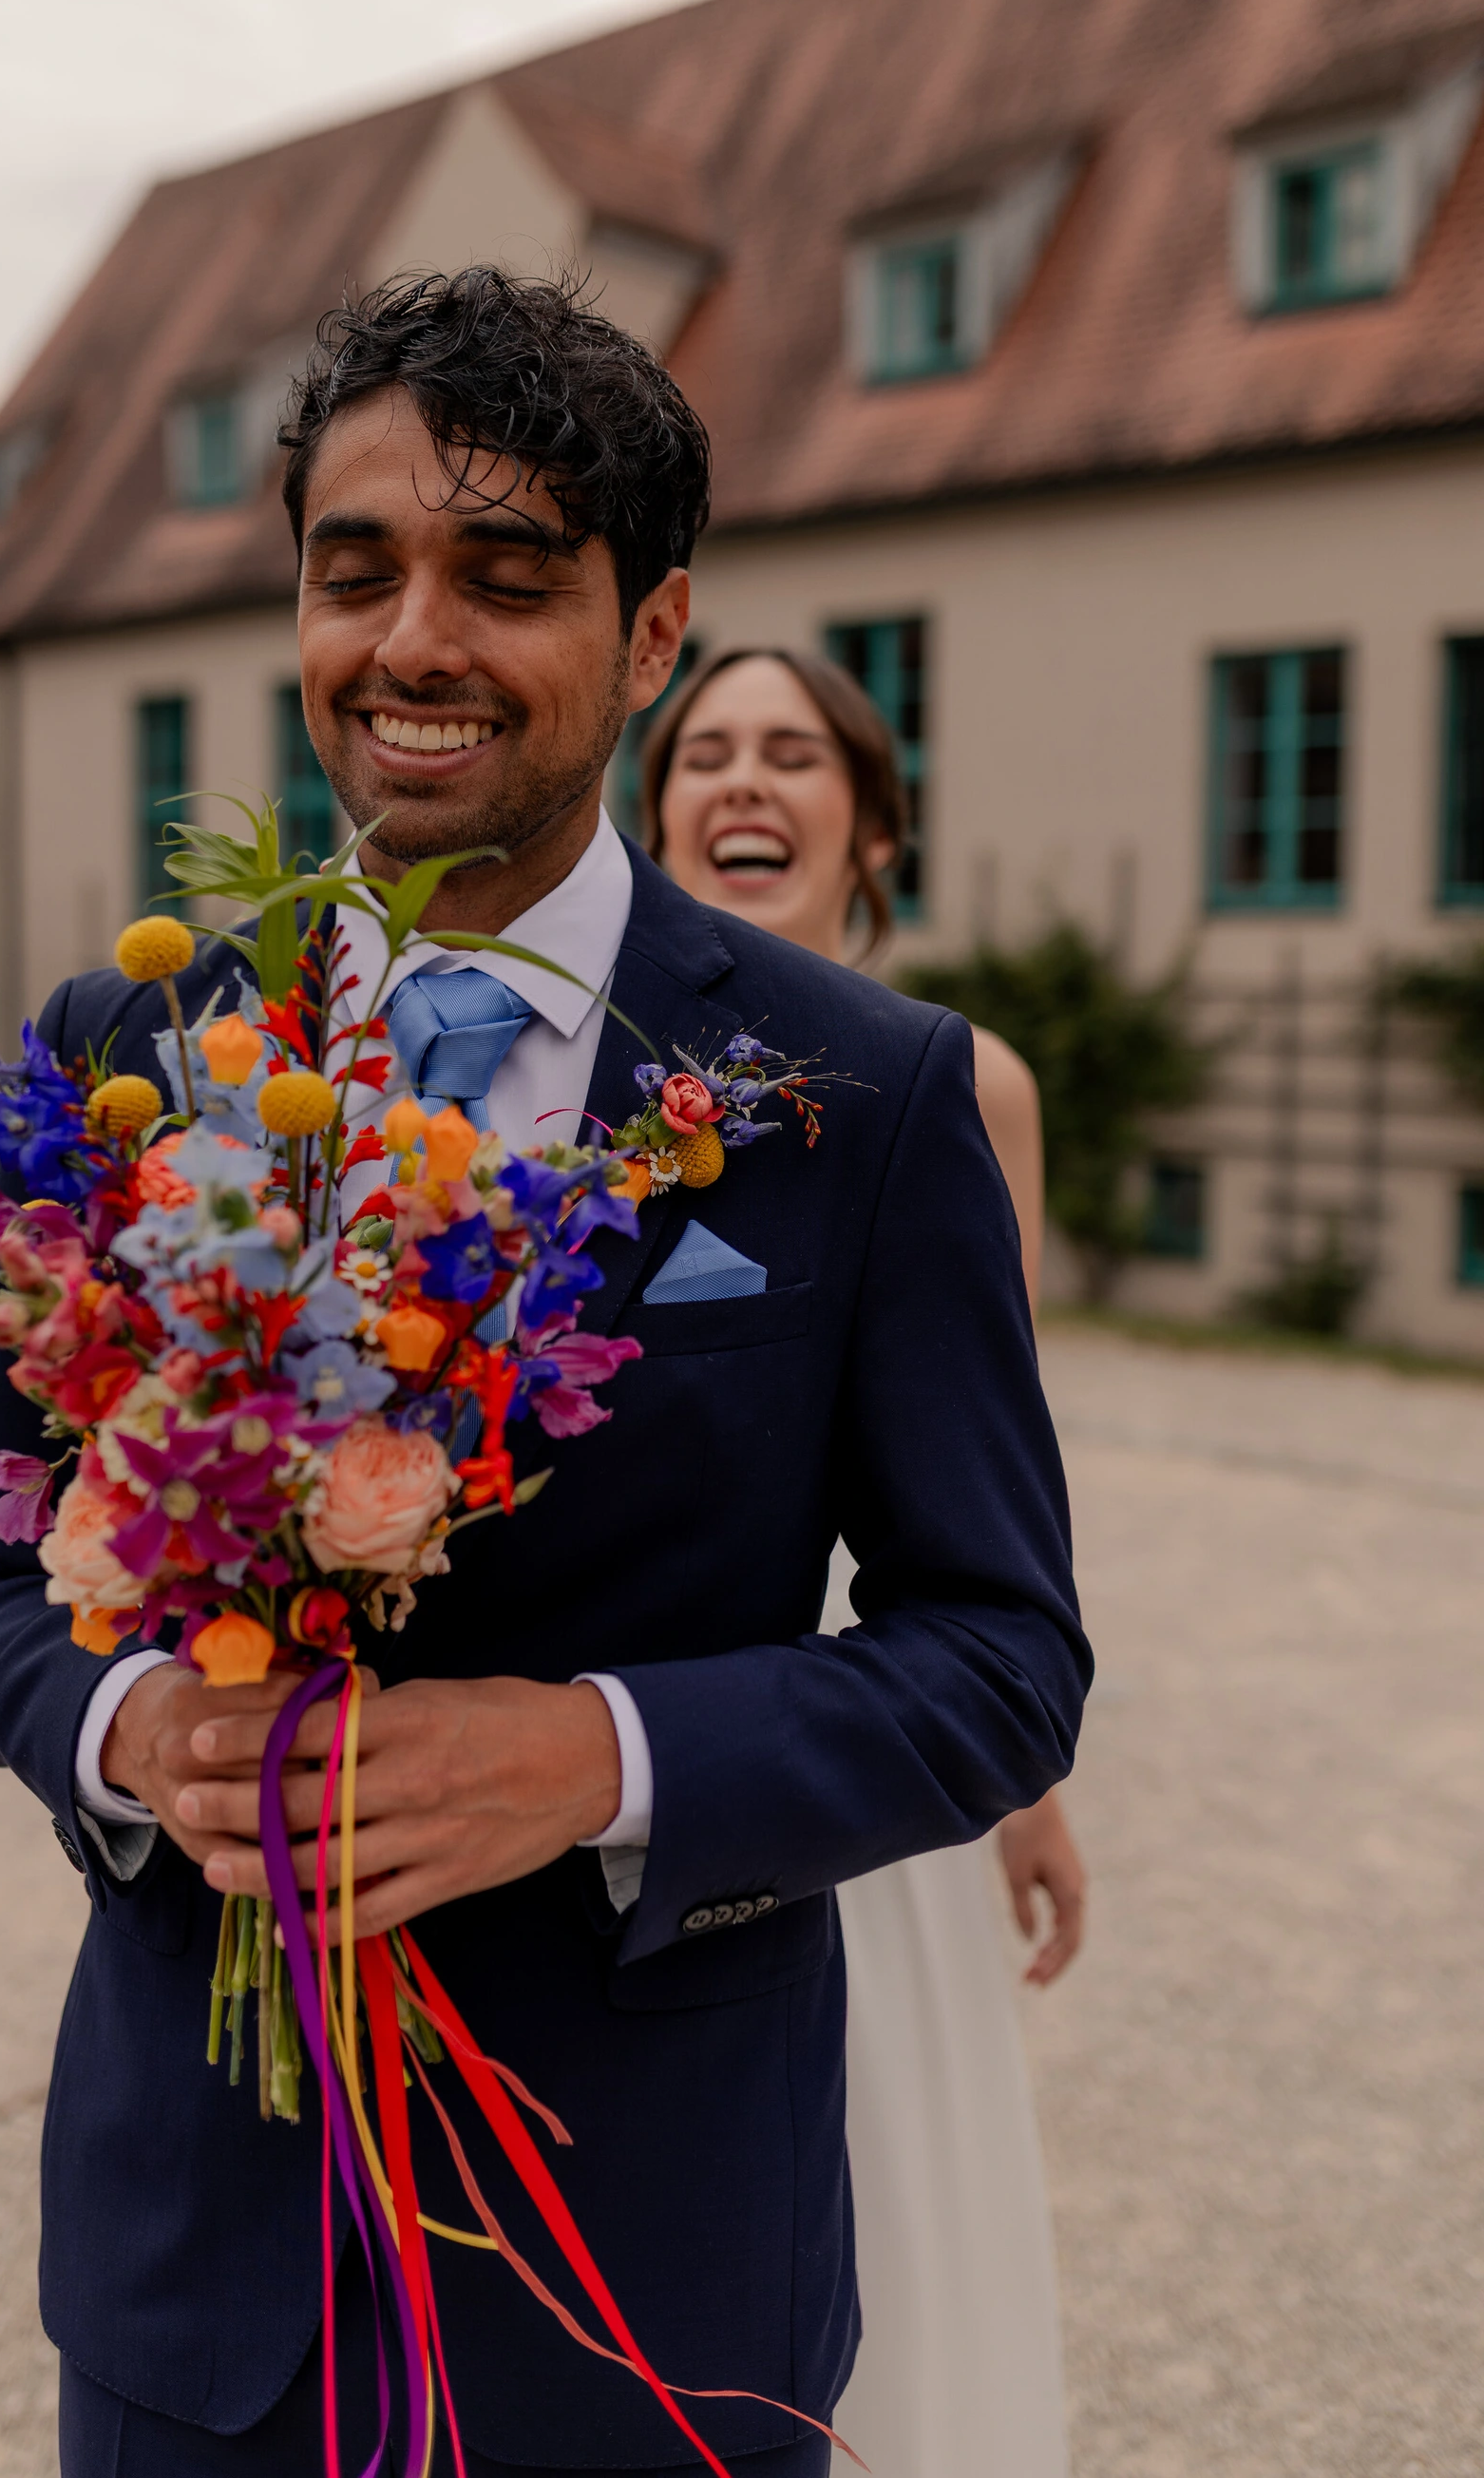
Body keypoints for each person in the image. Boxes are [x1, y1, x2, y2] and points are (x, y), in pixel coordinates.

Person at [0, 270, 1090, 2478]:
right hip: (201, 2258)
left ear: (650, 636)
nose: (410, 643)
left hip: (651, 2276)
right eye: (352, 571)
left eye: (508, 575)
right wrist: (131, 1722)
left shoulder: (863, 1094)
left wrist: (598, 1757)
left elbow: (999, 1662)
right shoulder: (134, 1049)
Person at [646, 646, 1085, 2477]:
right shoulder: (582, 1086)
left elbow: (995, 1493)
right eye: (709, 756)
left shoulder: (966, 1090)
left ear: (871, 824)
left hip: (862, 1758)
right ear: (654, 816)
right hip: (643, 1720)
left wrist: (1040, 1785)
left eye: (796, 757)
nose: (747, 785)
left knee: (876, 2214)